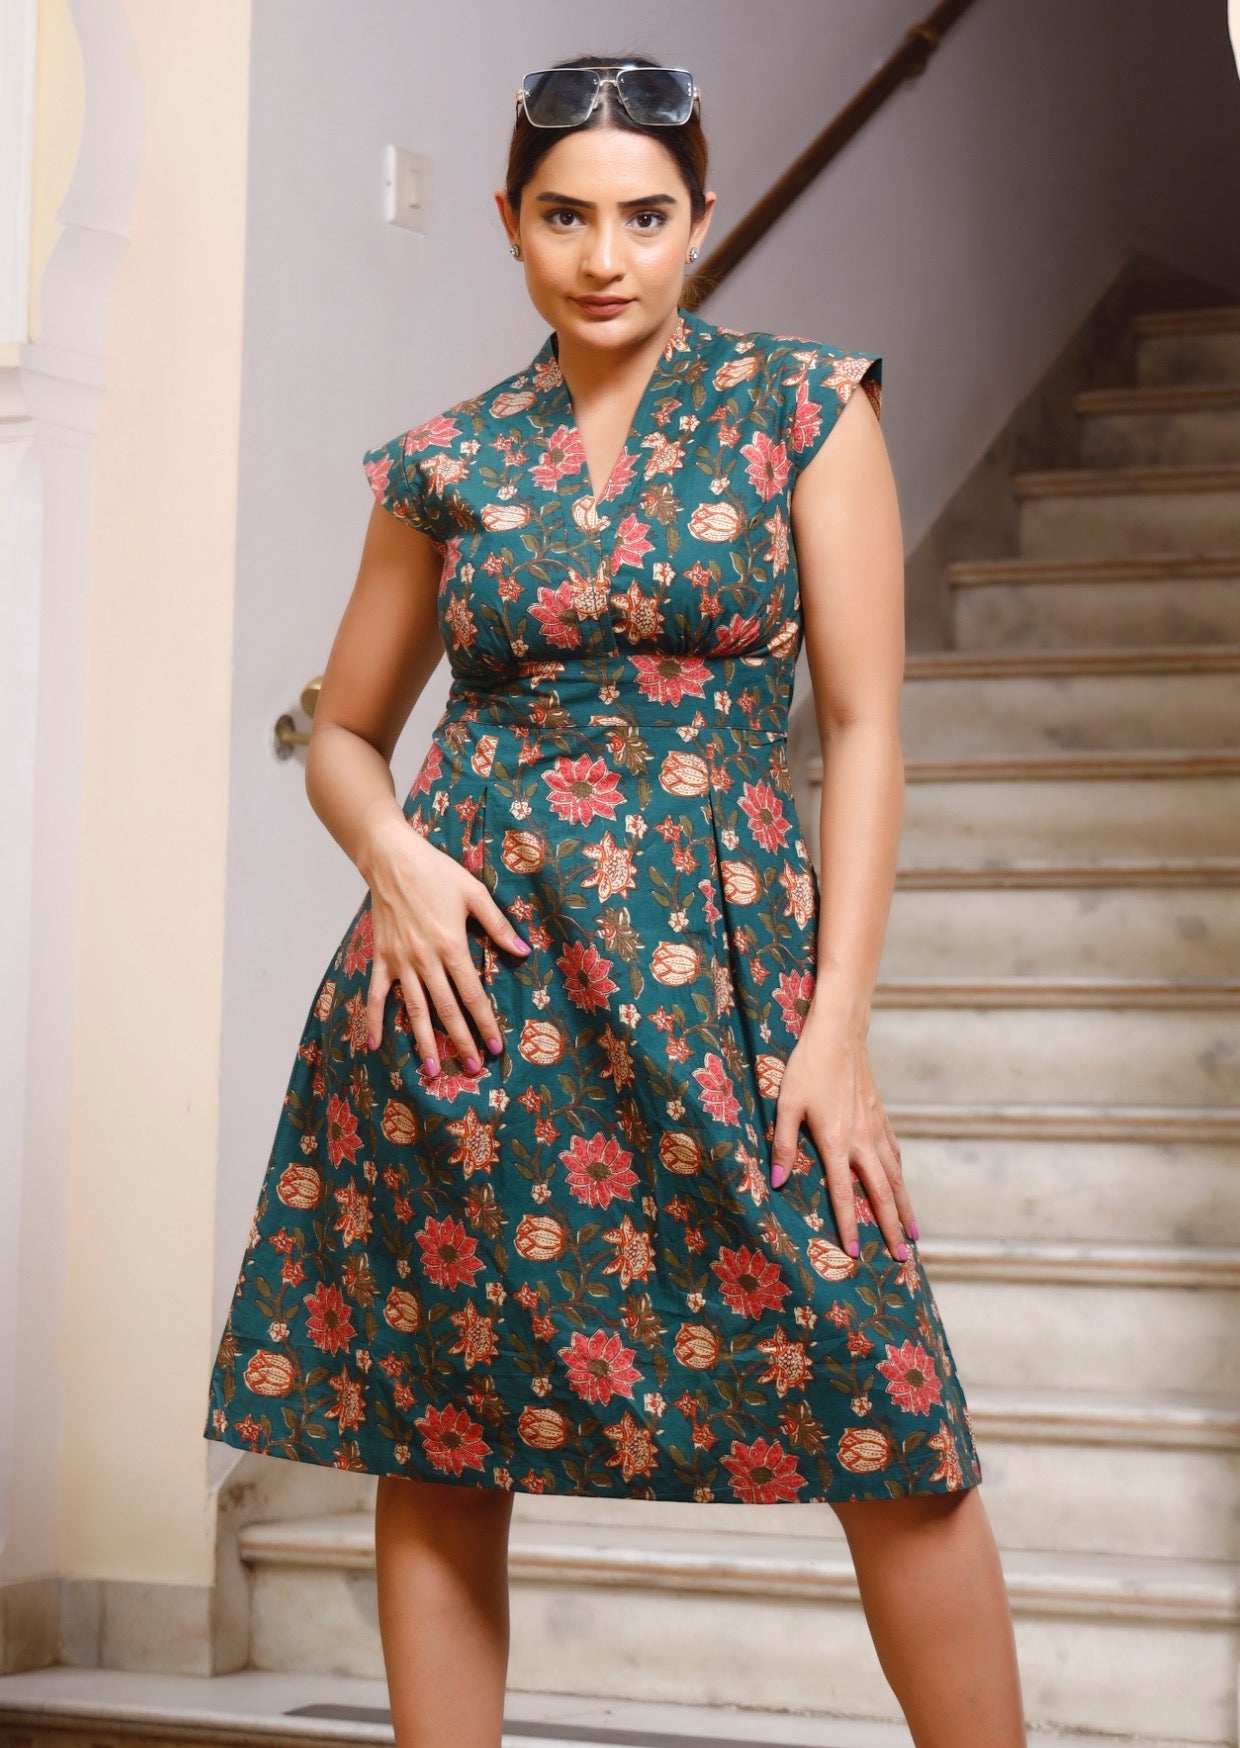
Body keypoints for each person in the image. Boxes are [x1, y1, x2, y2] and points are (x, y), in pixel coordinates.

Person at [203, 51, 1026, 1748]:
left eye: (646, 217)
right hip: (468, 990)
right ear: (509, 223)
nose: (605, 256)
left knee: (888, 1406)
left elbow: (864, 731)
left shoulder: (810, 409)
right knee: (446, 1428)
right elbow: (344, 732)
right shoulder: (448, 462)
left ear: (702, 222)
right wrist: (398, 863)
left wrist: (839, 1030)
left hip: (730, 980)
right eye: (566, 216)